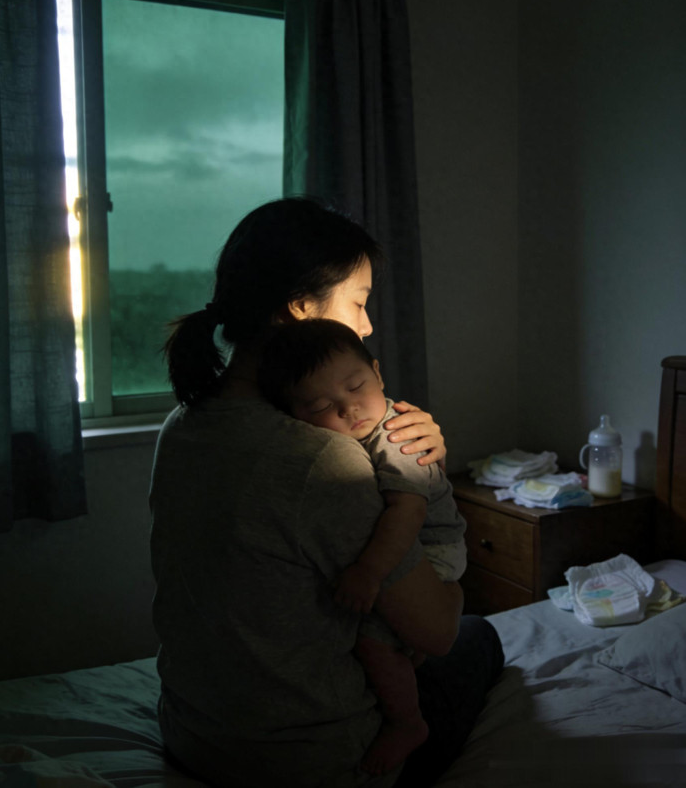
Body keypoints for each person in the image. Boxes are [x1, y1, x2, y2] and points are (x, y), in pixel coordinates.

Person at [150, 197, 504, 788]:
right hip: (310, 760)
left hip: (194, 735)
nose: (367, 326)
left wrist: (413, 459)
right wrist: (424, 482)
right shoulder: (322, 461)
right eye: (358, 303)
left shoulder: (184, 424)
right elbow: (435, 632)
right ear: (300, 308)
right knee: (474, 636)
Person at [258, 317, 467, 775]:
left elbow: (407, 513)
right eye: (322, 406)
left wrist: (369, 573)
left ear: (377, 373)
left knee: (372, 642)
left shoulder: (397, 437)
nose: (350, 409)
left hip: (435, 544)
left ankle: (408, 723)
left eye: (356, 387)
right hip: (415, 539)